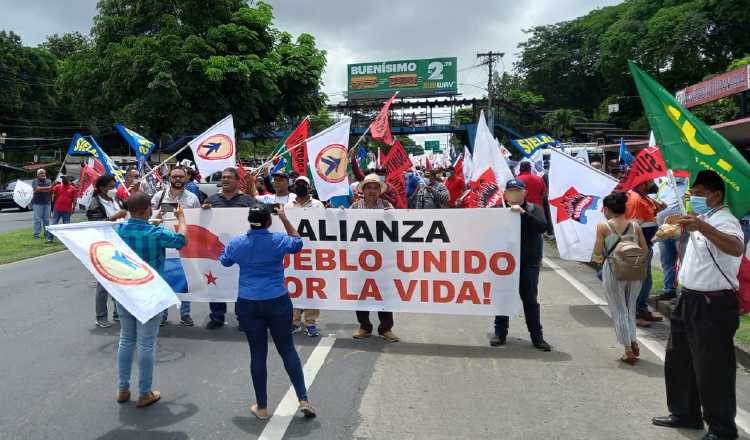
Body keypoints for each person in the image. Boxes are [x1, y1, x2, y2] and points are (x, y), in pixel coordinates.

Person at [653, 170, 745, 440]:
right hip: (689, 298)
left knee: (713, 367)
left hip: (713, 304)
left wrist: (703, 227)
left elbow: (736, 247)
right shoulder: (704, 217)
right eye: (694, 194)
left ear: (717, 194)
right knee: (679, 359)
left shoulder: (726, 221)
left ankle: (721, 428)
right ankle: (684, 412)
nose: (695, 198)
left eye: (701, 194)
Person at [220, 204, 316, 420]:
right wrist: (284, 217)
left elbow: (224, 261)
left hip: (249, 302)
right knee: (288, 350)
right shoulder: (279, 239)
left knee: (258, 353)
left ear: (249, 221)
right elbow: (298, 242)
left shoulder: (237, 243)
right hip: (277, 300)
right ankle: (303, 399)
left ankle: (262, 407)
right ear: (268, 221)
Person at [114, 192, 188, 408]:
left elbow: (137, 228)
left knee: (126, 339)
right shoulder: (155, 233)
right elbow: (181, 240)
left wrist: (148, 222)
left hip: (125, 290)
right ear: (147, 210)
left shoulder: (118, 231)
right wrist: (181, 219)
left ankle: (122, 388)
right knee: (146, 341)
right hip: (150, 291)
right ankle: (144, 392)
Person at [491, 179, 552, 351]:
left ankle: (537, 337)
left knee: (530, 300)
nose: (514, 193)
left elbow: (542, 227)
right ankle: (500, 334)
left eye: (517, 190)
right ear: (505, 193)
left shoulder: (534, 209)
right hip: (504, 263)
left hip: (528, 262)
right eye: (510, 190)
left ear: (525, 192)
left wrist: (523, 213)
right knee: (503, 297)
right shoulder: (498, 210)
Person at [593, 192, 648, 364]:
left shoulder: (604, 226)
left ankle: (628, 349)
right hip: (635, 270)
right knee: (630, 307)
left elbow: (597, 251)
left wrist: (604, 255)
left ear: (608, 209)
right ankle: (632, 340)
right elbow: (645, 250)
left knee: (619, 309)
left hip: (613, 269)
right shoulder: (635, 226)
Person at [201, 167, 259, 330]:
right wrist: (203, 211)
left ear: (237, 180)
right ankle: (217, 316)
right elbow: (203, 222)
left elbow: (257, 218)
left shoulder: (247, 200)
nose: (225, 180)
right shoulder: (212, 199)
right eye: (223, 177)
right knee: (216, 281)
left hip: (242, 250)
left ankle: (243, 317)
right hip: (217, 250)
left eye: (229, 177)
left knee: (241, 283)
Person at [350, 174, 399, 342]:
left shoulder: (387, 206)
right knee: (362, 292)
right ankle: (364, 326)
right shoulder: (354, 208)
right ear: (363, 190)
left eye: (375, 188)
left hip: (383, 258)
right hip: (361, 258)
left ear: (380, 191)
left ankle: (386, 328)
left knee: (384, 292)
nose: (372, 191)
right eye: (368, 187)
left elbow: (396, 228)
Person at [151, 166, 200, 326]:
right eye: (174, 177)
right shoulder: (159, 196)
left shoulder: (192, 198)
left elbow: (197, 221)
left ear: (186, 179)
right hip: (163, 244)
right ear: (169, 178)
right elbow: (151, 218)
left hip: (183, 244)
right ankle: (163, 314)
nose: (177, 179)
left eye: (181, 177)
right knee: (163, 280)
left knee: (185, 279)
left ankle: (185, 314)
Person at [87, 174, 129, 328]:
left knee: (119, 280)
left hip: (120, 243)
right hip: (104, 246)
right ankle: (101, 316)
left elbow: (127, 210)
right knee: (103, 283)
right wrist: (113, 217)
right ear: (101, 188)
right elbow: (95, 225)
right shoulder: (95, 204)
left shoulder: (117, 200)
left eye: (114, 186)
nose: (114, 189)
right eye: (110, 187)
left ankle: (118, 312)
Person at [285, 176, 324, 337]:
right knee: (294, 286)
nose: (300, 186)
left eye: (304, 184)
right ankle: (294, 321)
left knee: (311, 287)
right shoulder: (288, 206)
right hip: (294, 252)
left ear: (309, 188)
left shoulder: (317, 205)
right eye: (297, 184)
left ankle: (310, 322)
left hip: (312, 251)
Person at [625, 180, 666, 327]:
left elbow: (646, 218)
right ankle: (634, 313)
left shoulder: (644, 197)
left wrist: (657, 210)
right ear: (644, 181)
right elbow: (634, 227)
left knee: (645, 280)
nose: (653, 182)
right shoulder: (635, 199)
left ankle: (641, 309)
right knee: (637, 281)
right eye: (650, 180)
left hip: (646, 246)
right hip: (639, 247)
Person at [655, 177, 688, 301]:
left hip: (681, 231)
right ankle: (669, 289)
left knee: (683, 262)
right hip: (663, 230)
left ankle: (684, 294)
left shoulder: (689, 184)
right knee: (667, 260)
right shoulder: (664, 184)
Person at [31, 168, 53, 242]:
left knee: (46, 219)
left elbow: (50, 190)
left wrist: (42, 189)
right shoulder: (35, 181)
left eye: (43, 173)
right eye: (41, 173)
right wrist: (47, 188)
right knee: (37, 219)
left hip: (47, 203)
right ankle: (36, 234)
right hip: (37, 203)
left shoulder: (49, 181)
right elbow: (37, 189)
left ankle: (47, 233)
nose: (43, 174)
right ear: (37, 175)